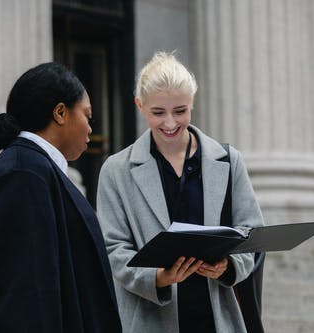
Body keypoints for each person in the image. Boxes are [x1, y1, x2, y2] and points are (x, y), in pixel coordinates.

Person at [96, 52, 264, 332]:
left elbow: (251, 233)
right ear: (139, 105)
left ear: (193, 103)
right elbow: (113, 249)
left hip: (217, 317)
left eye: (180, 111)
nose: (170, 123)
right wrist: (158, 277)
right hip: (149, 319)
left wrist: (229, 265)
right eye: (158, 113)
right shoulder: (115, 170)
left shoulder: (229, 160)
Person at [0, 62, 122, 333]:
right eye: (87, 116)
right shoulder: (23, 172)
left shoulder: (36, 169)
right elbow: (25, 294)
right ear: (60, 113)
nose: (90, 129)